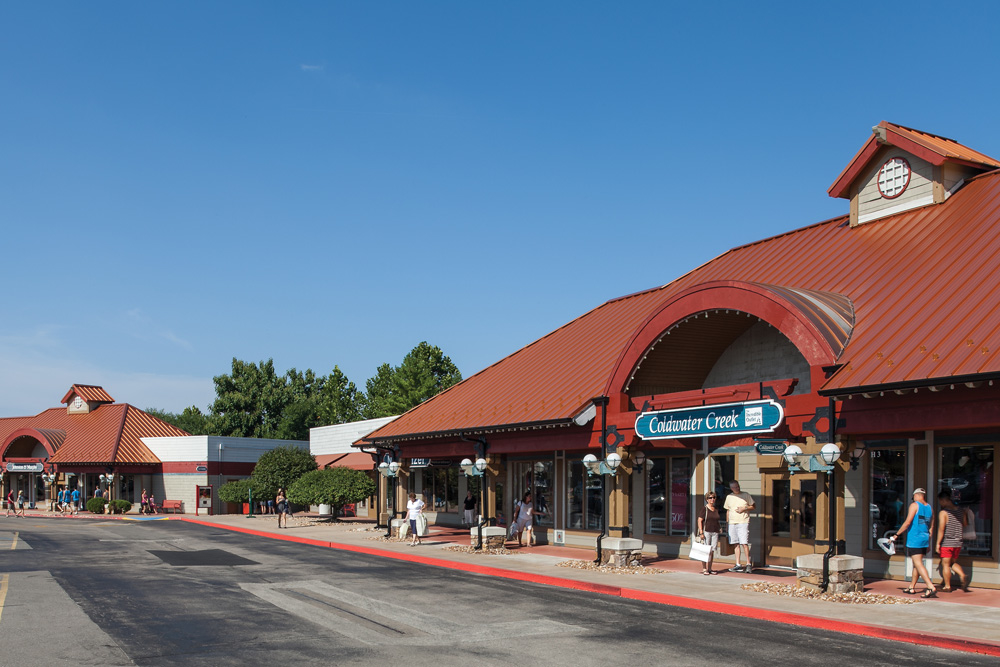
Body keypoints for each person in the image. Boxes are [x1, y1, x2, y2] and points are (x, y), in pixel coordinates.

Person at [890, 488, 937, 598]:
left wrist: (896, 535)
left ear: (916, 495)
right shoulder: (930, 508)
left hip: (915, 539)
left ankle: (930, 586)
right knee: (917, 563)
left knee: (918, 563)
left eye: (913, 497)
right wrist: (929, 542)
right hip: (924, 538)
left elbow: (907, 522)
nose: (913, 499)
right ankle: (911, 587)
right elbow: (932, 527)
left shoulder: (914, 505)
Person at [936, 490, 968, 592]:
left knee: (945, 564)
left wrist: (937, 543)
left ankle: (947, 586)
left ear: (943, 500)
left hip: (947, 542)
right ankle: (962, 574)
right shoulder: (960, 510)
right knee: (952, 563)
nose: (940, 504)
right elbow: (965, 524)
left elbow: (941, 529)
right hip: (958, 542)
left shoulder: (944, 513)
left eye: (940, 501)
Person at [723, 480, 755, 572]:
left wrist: (744, 508)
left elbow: (753, 506)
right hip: (732, 522)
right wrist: (727, 523)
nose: (737, 488)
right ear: (731, 488)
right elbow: (728, 511)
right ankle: (738, 564)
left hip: (743, 521)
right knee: (735, 543)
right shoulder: (729, 497)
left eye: (738, 486)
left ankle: (748, 563)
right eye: (735, 487)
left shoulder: (746, 495)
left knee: (744, 543)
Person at [697, 491, 722, 575]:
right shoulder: (705, 508)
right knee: (705, 550)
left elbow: (717, 520)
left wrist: (720, 528)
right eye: (710, 498)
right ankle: (704, 568)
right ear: (707, 499)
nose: (712, 499)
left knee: (712, 551)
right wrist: (701, 532)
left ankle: (710, 568)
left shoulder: (716, 509)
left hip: (715, 531)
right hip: (707, 531)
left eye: (713, 497)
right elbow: (700, 520)